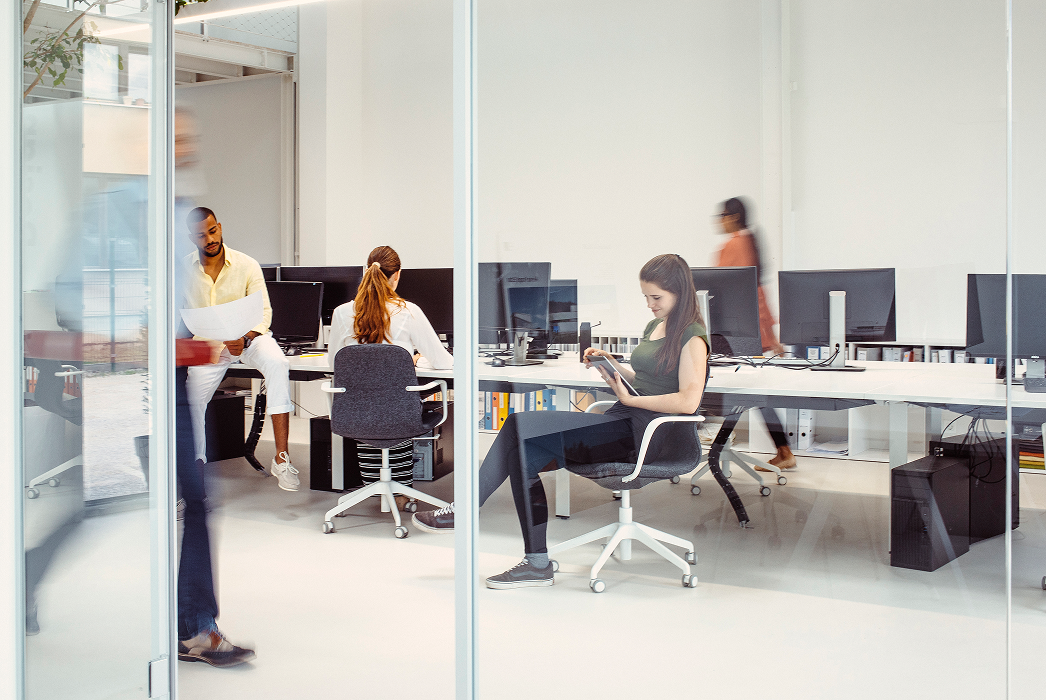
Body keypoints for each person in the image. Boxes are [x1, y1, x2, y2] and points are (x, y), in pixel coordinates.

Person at [412, 254, 709, 590]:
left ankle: (466, 511)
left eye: (656, 298)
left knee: (518, 426)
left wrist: (631, 400)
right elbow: (646, 379)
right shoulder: (657, 326)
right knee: (521, 451)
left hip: (646, 436)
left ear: (680, 293)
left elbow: (688, 400)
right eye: (646, 297)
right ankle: (536, 562)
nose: (649, 305)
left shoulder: (693, 337)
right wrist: (610, 364)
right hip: (623, 420)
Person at [174, 108, 254, 666]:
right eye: (177, 135)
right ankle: (27, 568)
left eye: (190, 134)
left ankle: (197, 629)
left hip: (174, 380)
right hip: (129, 388)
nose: (187, 143)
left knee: (199, 500)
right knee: (96, 511)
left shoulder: (182, 218)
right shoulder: (130, 218)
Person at [327, 246, 454, 507]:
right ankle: (398, 493)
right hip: (401, 413)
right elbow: (444, 363)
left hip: (354, 413)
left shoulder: (341, 313)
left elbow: (334, 363)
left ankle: (376, 490)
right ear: (397, 276)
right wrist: (415, 358)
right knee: (394, 406)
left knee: (372, 406)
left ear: (366, 272)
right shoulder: (408, 311)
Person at [183, 206, 300, 491]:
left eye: (212, 231)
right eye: (201, 235)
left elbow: (264, 313)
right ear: (191, 238)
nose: (209, 239)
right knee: (192, 401)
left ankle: (281, 459)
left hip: (249, 338)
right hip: (209, 343)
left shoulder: (247, 264)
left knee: (277, 363)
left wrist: (245, 338)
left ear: (220, 227)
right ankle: (196, 469)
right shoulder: (182, 269)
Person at [714, 196, 796, 472]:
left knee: (741, 390)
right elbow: (758, 294)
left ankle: (718, 446)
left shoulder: (734, 244)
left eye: (721, 216)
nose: (719, 222)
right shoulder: (749, 242)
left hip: (738, 331)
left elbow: (721, 291)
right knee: (753, 393)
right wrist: (771, 335)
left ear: (732, 217)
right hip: (753, 330)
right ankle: (782, 450)